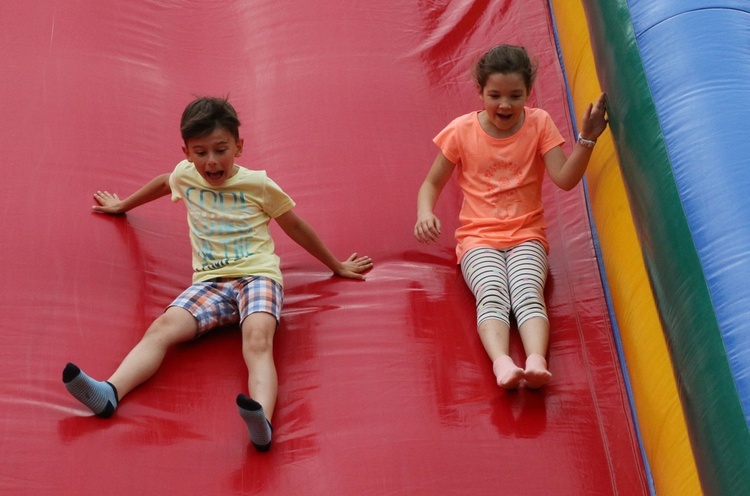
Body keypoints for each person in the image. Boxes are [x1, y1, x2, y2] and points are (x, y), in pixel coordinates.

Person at [62, 96, 372, 451]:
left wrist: (336, 265)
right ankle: (109, 392)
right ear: (187, 152)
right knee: (162, 328)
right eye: (200, 152)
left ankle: (262, 422)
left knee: (257, 339)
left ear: (239, 146)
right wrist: (123, 205)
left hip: (257, 276)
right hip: (210, 282)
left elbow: (296, 227)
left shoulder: (259, 185)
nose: (211, 161)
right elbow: (164, 182)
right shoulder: (186, 176)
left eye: (221, 150)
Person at [414, 44, 607, 390]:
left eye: (516, 95)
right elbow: (431, 183)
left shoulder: (539, 123)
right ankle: (502, 362)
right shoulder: (461, 131)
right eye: (495, 95)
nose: (505, 104)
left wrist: (586, 140)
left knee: (526, 289)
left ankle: (535, 360)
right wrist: (424, 212)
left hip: (527, 235)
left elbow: (564, 179)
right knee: (491, 291)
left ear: (529, 93)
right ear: (480, 92)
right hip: (478, 238)